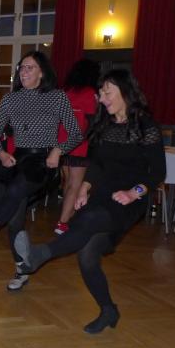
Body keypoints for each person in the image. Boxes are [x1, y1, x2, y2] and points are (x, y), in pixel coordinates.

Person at [13, 69, 165, 334]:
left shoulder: (146, 127)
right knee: (87, 255)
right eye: (101, 93)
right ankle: (108, 311)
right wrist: (84, 187)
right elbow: (96, 164)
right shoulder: (104, 125)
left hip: (130, 200)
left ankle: (39, 255)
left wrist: (133, 193)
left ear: (125, 92)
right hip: (103, 193)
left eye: (107, 92)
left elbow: (158, 173)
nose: (102, 99)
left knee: (92, 220)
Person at [0, 51, 82, 292]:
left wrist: (58, 150)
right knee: (15, 219)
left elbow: (76, 134)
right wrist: (1, 154)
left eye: (30, 67)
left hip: (44, 161)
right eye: (21, 67)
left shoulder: (57, 97)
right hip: (19, 159)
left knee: (18, 187)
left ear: (42, 73)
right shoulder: (10, 99)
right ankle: (22, 269)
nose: (23, 72)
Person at [54, 59, 99, 235]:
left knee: (68, 183)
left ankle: (66, 218)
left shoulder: (65, 91)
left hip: (62, 144)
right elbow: (92, 122)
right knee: (75, 184)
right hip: (79, 144)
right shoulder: (89, 93)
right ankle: (63, 222)